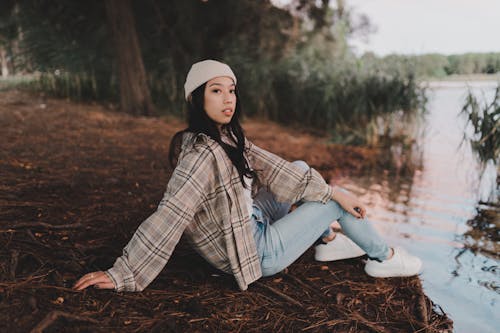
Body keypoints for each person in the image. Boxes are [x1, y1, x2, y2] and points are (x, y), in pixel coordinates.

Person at [73, 60, 422, 292]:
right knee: (335, 202)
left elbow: (277, 169)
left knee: (300, 169)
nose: (228, 98)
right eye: (216, 90)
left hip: (248, 221)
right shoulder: (200, 156)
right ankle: (384, 259)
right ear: (196, 99)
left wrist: (326, 188)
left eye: (231, 89)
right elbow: (170, 214)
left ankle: (326, 243)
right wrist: (122, 273)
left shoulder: (225, 137)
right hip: (252, 252)